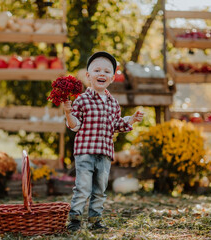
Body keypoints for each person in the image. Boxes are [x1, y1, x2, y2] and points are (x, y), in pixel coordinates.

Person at [63, 51, 144, 231]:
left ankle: (95, 220)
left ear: (113, 78)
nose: (102, 74)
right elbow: (75, 126)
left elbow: (116, 124)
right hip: (85, 152)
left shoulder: (113, 103)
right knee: (83, 187)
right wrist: (68, 113)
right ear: (88, 75)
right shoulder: (81, 100)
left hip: (105, 153)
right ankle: (75, 219)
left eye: (107, 71)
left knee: (99, 189)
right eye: (97, 70)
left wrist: (131, 119)